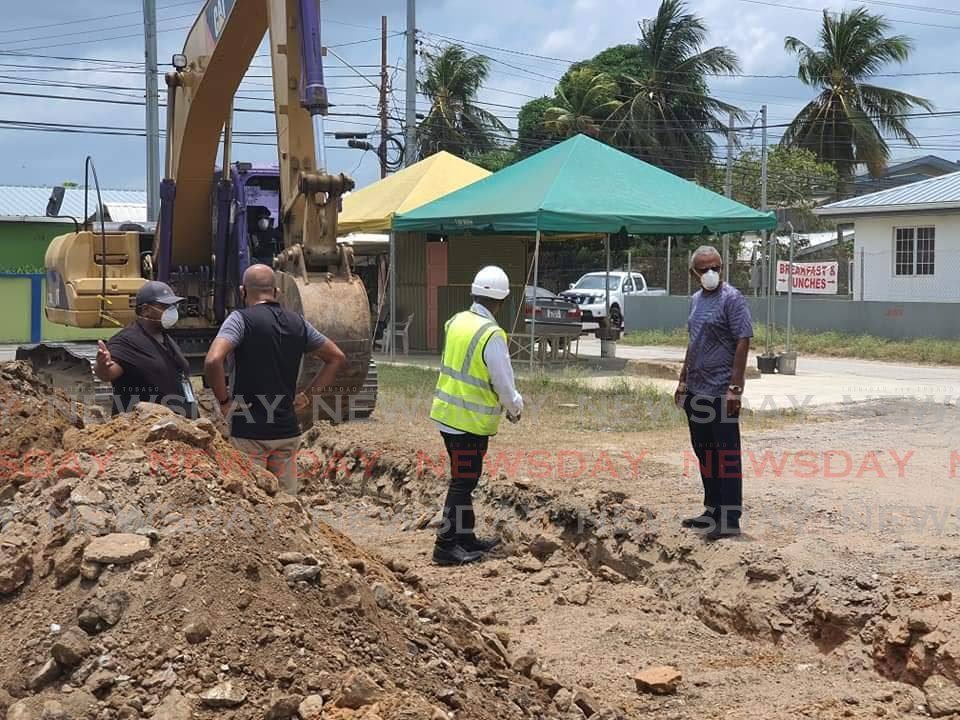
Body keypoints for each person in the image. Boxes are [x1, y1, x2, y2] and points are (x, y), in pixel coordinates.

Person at [203, 264, 346, 495]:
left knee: (251, 500)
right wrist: (307, 397)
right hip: (287, 432)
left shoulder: (239, 320)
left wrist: (224, 401)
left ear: (243, 291)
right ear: (276, 292)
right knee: (286, 505)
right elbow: (336, 357)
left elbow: (213, 360)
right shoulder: (298, 323)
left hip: (249, 432)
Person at [429, 266, 524, 566]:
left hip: (448, 415)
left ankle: (465, 537)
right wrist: (516, 408)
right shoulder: (491, 334)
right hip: (468, 422)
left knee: (464, 479)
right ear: (501, 301)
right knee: (463, 482)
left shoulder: (456, 321)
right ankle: (445, 546)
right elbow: (503, 383)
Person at [675, 245, 752, 541]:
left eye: (716, 268)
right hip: (697, 389)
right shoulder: (695, 300)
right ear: (694, 273)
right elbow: (693, 342)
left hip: (721, 391)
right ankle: (712, 509)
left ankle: (730, 517)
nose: (711, 273)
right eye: (704, 268)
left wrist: (735, 388)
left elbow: (743, 340)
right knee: (704, 451)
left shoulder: (732, 299)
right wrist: (683, 381)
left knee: (726, 454)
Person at [94, 281, 193, 416]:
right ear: (146, 310)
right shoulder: (126, 340)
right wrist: (102, 365)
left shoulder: (165, 337)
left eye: (173, 306)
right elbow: (108, 373)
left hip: (177, 426)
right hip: (146, 429)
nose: (172, 311)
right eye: (165, 306)